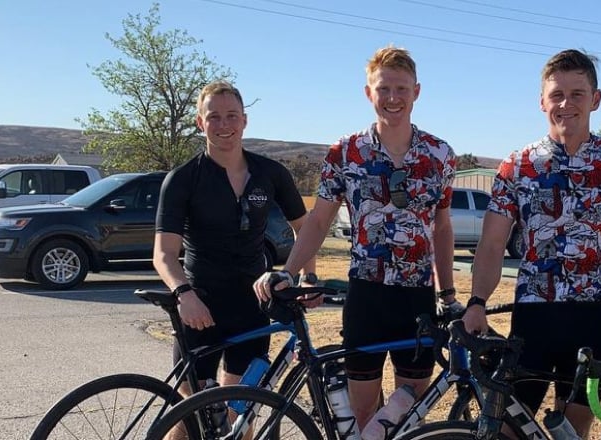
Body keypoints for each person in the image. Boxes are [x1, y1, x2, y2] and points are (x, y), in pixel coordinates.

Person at [461, 49, 601, 438]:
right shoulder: (518, 165)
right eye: (557, 94)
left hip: (591, 315)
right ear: (542, 101)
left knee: (572, 430)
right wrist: (477, 302)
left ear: (596, 99)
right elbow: (490, 243)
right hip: (534, 316)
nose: (566, 104)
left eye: (577, 94)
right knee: (510, 429)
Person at [253, 45, 459, 431]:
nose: (392, 98)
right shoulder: (346, 152)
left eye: (401, 89)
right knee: (364, 419)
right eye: (383, 89)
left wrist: (448, 295)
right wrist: (290, 271)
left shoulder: (440, 154)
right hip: (366, 296)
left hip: (417, 297)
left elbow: (443, 228)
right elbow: (318, 220)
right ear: (369, 93)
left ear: (417, 91)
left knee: (408, 417)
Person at [153, 80, 312, 399]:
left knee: (240, 412)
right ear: (200, 122)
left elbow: (305, 227)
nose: (223, 125)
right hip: (201, 305)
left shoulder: (270, 173)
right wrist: (185, 294)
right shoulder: (184, 179)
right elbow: (164, 254)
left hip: (253, 305)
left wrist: (307, 276)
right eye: (214, 117)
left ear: (244, 120)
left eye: (231, 116)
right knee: (191, 416)